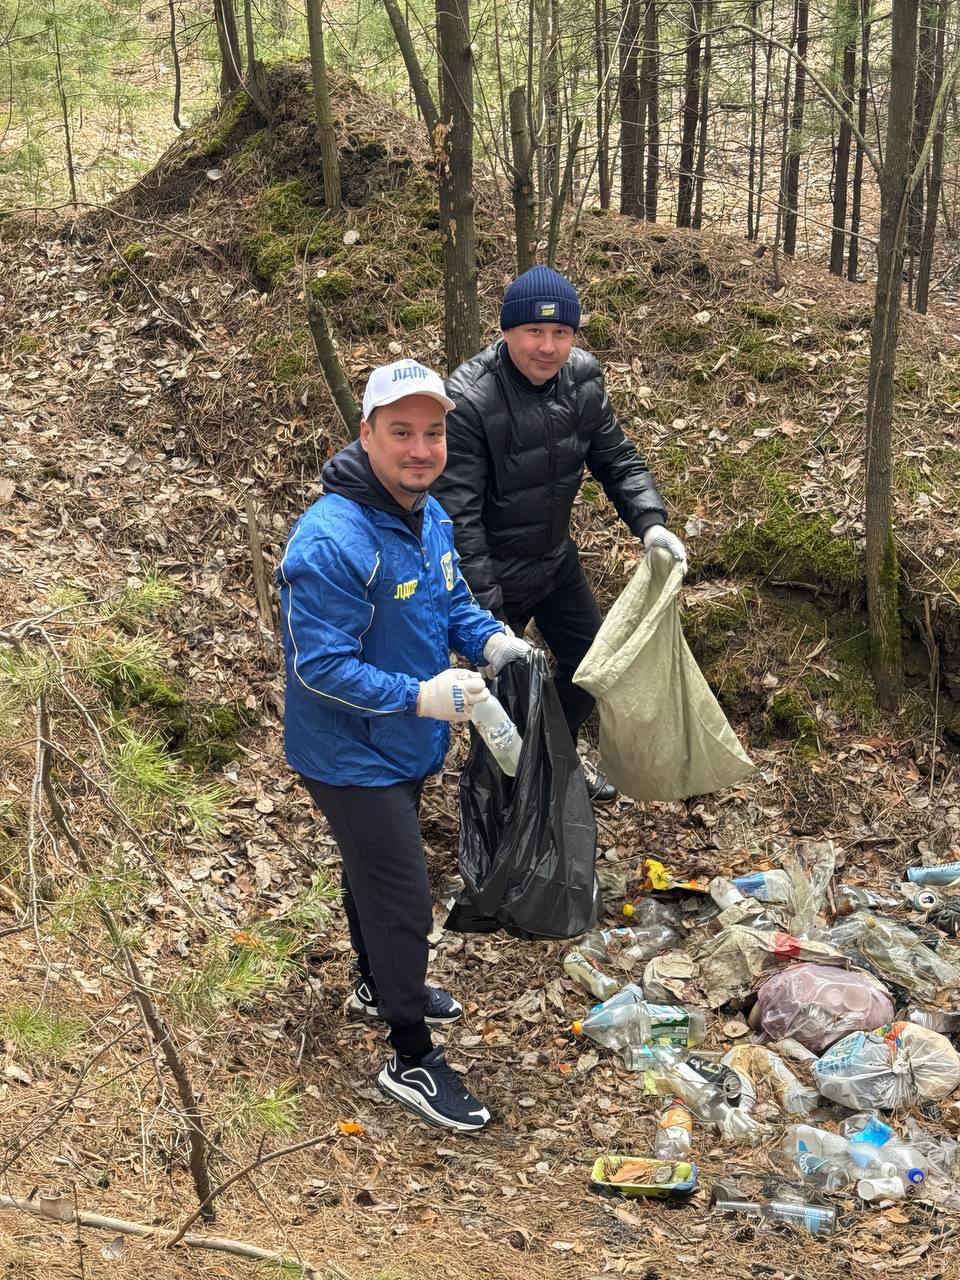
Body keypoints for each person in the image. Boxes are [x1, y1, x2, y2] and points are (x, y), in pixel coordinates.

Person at [277, 358, 530, 1132]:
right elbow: (318, 667)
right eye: (401, 433)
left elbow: (451, 603)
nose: (420, 450)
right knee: (403, 895)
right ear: (367, 434)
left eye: (433, 433)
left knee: (374, 875)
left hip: (407, 742)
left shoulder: (428, 513)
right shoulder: (331, 540)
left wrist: (492, 643)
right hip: (348, 754)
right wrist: (419, 696)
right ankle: (410, 1054)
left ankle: (377, 983)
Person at [432, 264, 687, 804]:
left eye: (561, 333)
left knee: (592, 669)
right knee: (504, 697)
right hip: (493, 574)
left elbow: (617, 459)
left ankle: (555, 764)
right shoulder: (470, 399)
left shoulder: (583, 380)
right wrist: (487, 624)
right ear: (507, 330)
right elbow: (460, 521)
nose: (548, 347)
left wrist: (651, 524)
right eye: (534, 331)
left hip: (553, 562)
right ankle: (502, 810)